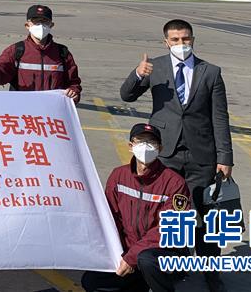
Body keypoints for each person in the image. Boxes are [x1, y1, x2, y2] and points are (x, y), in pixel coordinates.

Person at [120, 19, 233, 292]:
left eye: (186, 39)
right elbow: (127, 95)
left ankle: (210, 270)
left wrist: (225, 157)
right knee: (166, 216)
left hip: (200, 155)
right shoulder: (154, 67)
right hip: (164, 153)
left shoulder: (211, 72)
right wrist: (137, 74)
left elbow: (220, 117)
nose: (181, 44)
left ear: (193, 39)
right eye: (175, 40)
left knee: (203, 216)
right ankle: (171, 266)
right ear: (165, 42)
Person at [82, 123, 190, 292]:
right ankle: (139, 283)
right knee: (90, 281)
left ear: (160, 148)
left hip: (162, 253)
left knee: (146, 260)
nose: (145, 147)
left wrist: (131, 257)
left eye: (151, 142)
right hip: (129, 252)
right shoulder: (118, 176)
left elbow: (169, 228)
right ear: (131, 146)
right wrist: (114, 253)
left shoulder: (175, 183)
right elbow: (111, 217)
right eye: (140, 141)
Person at [0, 4, 82, 102]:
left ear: (51, 25)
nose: (41, 26)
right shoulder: (16, 50)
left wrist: (74, 93)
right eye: (36, 22)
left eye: (45, 21)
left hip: (52, 112)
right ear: (27, 25)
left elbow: (73, 82)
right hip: (24, 112)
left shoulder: (62, 53)